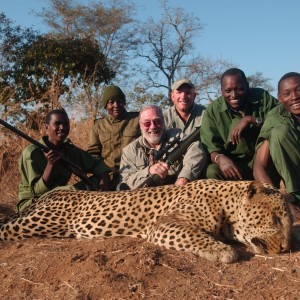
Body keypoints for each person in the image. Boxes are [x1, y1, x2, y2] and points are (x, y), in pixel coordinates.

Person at [18, 109, 111, 212]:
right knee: (72, 192)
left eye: (66, 124)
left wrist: (103, 183)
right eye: (57, 124)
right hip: (33, 203)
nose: (62, 128)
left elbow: (96, 164)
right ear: (46, 127)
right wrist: (50, 165)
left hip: (59, 197)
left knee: (96, 180)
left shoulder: (68, 149)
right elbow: (37, 192)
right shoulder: (31, 153)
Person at [200, 68, 278, 180]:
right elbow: (211, 148)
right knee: (212, 171)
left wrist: (251, 119)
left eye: (239, 89)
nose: (234, 95)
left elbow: (281, 118)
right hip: (236, 166)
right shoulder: (212, 112)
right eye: (228, 91)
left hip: (265, 159)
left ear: (247, 86)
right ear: (221, 90)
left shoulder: (262, 97)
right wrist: (220, 159)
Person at [117, 105, 207, 190]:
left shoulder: (177, 136)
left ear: (164, 122)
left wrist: (184, 177)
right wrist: (149, 171)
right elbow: (125, 184)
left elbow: (196, 150)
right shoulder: (129, 151)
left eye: (157, 121)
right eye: (147, 123)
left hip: (176, 195)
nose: (153, 127)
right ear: (140, 125)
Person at [253, 72, 300, 224]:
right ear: (280, 98)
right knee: (280, 132)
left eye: (298, 90)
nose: (294, 97)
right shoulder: (276, 116)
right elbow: (259, 165)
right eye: (287, 93)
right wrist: (280, 201)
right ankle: (296, 197)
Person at [87, 85, 140, 190]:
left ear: (124, 103)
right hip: (107, 176)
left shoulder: (137, 120)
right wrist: (102, 173)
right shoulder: (98, 126)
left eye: (119, 101)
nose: (116, 105)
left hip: (133, 174)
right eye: (111, 102)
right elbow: (93, 155)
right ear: (106, 105)